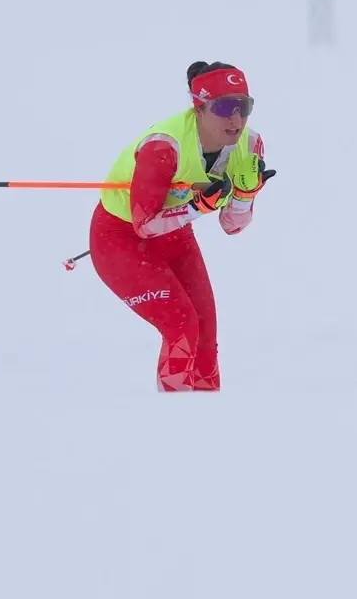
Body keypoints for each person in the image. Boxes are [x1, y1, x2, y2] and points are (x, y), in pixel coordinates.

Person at [88, 61, 275, 392]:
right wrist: (195, 206)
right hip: (120, 238)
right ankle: (174, 422)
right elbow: (144, 226)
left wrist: (244, 196)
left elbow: (232, 226)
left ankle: (205, 424)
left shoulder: (250, 145)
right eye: (224, 108)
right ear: (199, 107)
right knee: (181, 325)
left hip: (174, 235)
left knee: (205, 334)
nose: (237, 119)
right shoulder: (163, 146)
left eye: (244, 106)